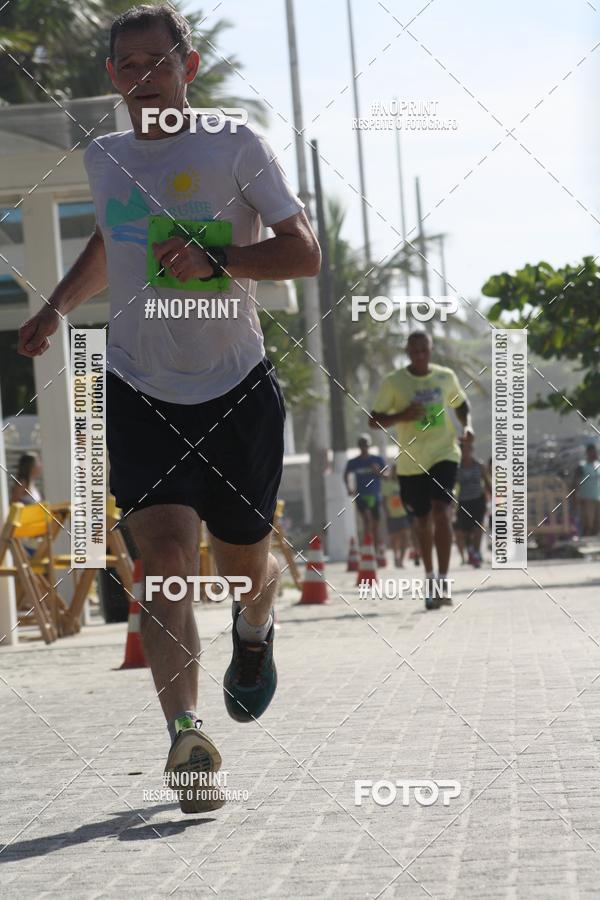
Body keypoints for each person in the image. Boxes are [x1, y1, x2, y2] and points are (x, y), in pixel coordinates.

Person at [17, 5, 320, 814]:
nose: (142, 78)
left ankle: (254, 626)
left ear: (188, 68)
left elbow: (304, 253)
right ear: (111, 76)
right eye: (127, 65)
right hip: (140, 388)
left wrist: (217, 256)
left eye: (158, 62)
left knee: (245, 563)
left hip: (236, 387)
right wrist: (55, 306)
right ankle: (186, 734)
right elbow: (111, 246)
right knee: (164, 563)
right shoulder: (108, 156)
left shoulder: (235, 144)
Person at [369, 331, 473, 610]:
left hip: (444, 452)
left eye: (424, 351)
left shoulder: (444, 376)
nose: (420, 356)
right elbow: (374, 421)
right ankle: (429, 579)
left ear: (431, 350)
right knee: (423, 521)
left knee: (442, 510)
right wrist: (401, 416)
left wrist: (468, 427)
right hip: (411, 461)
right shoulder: (395, 382)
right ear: (407, 352)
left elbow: (461, 405)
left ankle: (443, 580)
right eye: (414, 352)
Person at [343, 435, 385, 548]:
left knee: (375, 524)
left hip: (375, 496)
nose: (364, 448)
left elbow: (387, 476)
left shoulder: (377, 460)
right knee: (367, 520)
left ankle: (375, 549)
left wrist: (378, 471)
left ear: (369, 446)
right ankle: (367, 548)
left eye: (366, 446)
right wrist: (348, 488)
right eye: (362, 446)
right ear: (359, 447)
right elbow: (345, 474)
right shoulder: (354, 462)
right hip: (361, 496)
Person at [454, 439, 490, 567]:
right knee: (465, 531)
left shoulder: (479, 465)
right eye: (463, 450)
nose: (466, 452)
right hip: (464, 501)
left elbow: (486, 482)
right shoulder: (457, 467)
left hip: (478, 500)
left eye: (468, 449)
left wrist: (491, 496)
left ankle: (476, 551)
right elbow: (453, 485)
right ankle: (470, 549)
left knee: (478, 527)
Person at [380, 473, 411, 567]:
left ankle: (401, 560)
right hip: (392, 515)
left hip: (404, 514)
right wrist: (387, 512)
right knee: (395, 539)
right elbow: (384, 501)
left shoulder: (404, 485)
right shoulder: (387, 485)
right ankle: (396, 557)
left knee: (405, 537)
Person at [573, 444, 600, 536]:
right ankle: (585, 541)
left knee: (597, 524)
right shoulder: (582, 466)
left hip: (597, 498)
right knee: (588, 524)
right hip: (586, 499)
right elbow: (576, 483)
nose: (596, 454)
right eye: (593, 452)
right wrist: (575, 497)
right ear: (588, 453)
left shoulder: (598, 466)